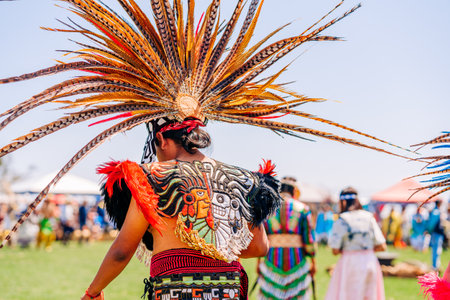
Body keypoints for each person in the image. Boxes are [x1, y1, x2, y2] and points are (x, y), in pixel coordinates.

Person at [81, 118, 281, 300]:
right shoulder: (242, 179)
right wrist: (216, 251)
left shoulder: (151, 177)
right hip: (227, 293)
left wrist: (93, 292)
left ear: (160, 138)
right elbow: (259, 247)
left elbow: (121, 252)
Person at [256, 176, 316, 299]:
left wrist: (259, 262)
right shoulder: (303, 209)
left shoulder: (268, 208)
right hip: (296, 262)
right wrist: (313, 261)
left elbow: (262, 237)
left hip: (272, 262)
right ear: (294, 191)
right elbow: (309, 239)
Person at [325, 187, 387, 300]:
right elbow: (382, 246)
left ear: (343, 202)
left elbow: (335, 250)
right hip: (370, 261)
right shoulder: (369, 217)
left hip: (350, 263)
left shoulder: (342, 219)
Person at [428, 200, 445, 271]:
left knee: (437, 250)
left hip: (436, 233)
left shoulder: (436, 211)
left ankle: (436, 265)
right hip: (436, 233)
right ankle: (435, 266)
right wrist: (430, 231)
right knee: (436, 250)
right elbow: (432, 224)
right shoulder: (436, 212)